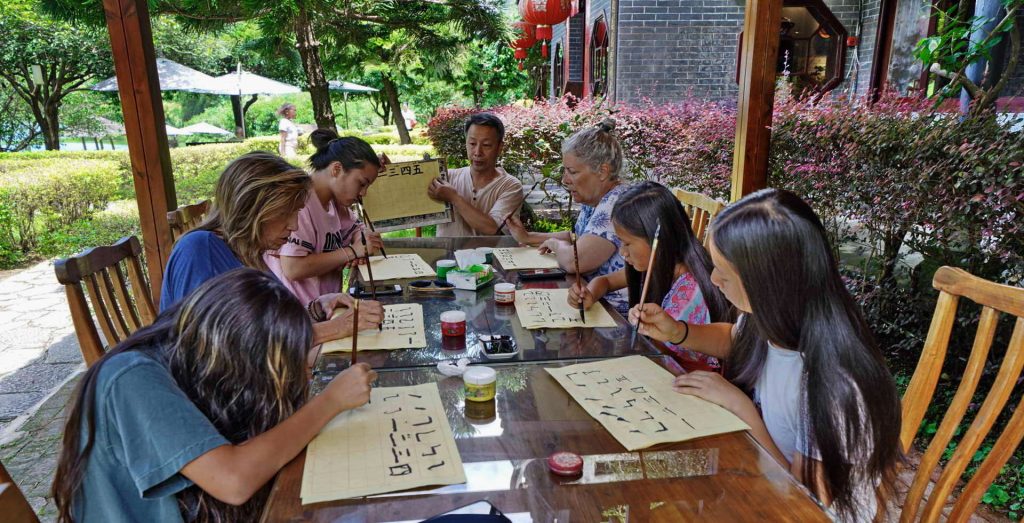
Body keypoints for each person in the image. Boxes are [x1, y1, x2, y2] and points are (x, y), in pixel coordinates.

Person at [630, 188, 902, 522]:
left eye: (724, 273)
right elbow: (735, 337)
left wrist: (740, 408)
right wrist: (678, 331)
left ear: (767, 283)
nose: (713, 281)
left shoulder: (833, 386)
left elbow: (805, 501)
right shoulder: (776, 320)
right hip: (763, 478)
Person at [52, 269, 378, 522]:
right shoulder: (131, 378)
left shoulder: (195, 360)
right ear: (235, 358)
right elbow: (233, 482)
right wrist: (330, 401)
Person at [161, 152, 382, 348]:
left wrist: (315, 309)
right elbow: (216, 348)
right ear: (254, 208)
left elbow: (260, 326)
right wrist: (334, 329)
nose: (294, 225)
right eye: (287, 212)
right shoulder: (200, 250)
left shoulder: (249, 253)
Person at [568, 181, 734, 372]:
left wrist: (619, 344)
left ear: (657, 241)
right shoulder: (658, 266)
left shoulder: (689, 292)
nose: (623, 252)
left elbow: (667, 359)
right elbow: (605, 281)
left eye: (628, 244)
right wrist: (589, 293)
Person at [507, 118, 631, 313]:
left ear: (602, 172)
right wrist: (528, 237)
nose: (565, 179)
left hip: (616, 314)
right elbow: (578, 238)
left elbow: (576, 261)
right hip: (593, 299)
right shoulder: (597, 198)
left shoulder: (616, 204)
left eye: (572, 171)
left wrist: (556, 245)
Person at [266, 129, 386, 306]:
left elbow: (355, 228)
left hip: (327, 307)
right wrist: (352, 252)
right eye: (361, 183)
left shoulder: (334, 201)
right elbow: (293, 268)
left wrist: (362, 240)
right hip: (300, 315)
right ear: (336, 169)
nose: (363, 193)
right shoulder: (301, 203)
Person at [428, 113, 524, 237]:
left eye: (486, 145)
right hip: (447, 256)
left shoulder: (510, 186)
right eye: (472, 144)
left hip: (489, 256)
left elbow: (492, 228)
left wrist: (454, 198)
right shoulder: (446, 178)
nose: (478, 152)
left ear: (500, 147)